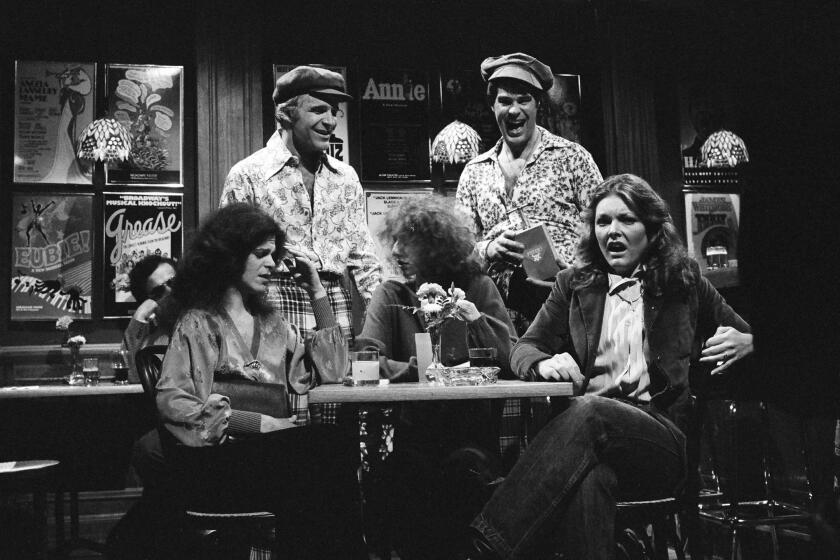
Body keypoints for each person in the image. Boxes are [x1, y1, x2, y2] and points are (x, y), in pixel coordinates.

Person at [465, 174, 754, 559]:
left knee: (591, 411)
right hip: (588, 443)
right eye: (603, 222)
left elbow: (755, 337)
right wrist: (544, 361)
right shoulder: (573, 284)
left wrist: (749, 341)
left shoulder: (684, 283)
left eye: (626, 220)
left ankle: (487, 546)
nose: (612, 231)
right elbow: (523, 349)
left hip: (661, 440)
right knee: (591, 480)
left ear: (651, 230)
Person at [154, 203, 366, 559]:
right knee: (323, 453)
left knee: (325, 465)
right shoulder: (199, 322)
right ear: (231, 256)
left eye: (274, 255)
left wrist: (316, 290)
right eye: (261, 254)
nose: (273, 264)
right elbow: (173, 402)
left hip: (273, 464)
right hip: (216, 466)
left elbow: (334, 369)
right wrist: (259, 423)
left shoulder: (273, 326)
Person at [221, 65, 381, 424]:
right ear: (285, 113)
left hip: (334, 305)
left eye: (335, 112)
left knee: (336, 416)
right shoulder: (248, 174)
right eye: (319, 109)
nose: (330, 120)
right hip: (272, 303)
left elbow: (364, 257)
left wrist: (378, 318)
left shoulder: (346, 177)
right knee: (281, 419)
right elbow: (226, 264)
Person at [360, 195, 517, 558]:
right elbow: (366, 361)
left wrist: (471, 318)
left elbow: (511, 357)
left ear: (436, 246)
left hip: (473, 438)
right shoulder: (391, 294)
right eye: (394, 241)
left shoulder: (477, 288)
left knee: (463, 471)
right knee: (404, 474)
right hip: (413, 439)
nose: (397, 252)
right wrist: (418, 372)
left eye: (409, 241)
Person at [455, 52, 603, 335]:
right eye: (505, 101)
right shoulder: (474, 171)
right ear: (492, 106)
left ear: (538, 106)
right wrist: (489, 248)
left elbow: (602, 229)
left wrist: (575, 270)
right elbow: (459, 252)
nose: (513, 110)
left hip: (562, 303)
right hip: (496, 311)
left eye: (523, 99)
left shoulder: (572, 157)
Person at [121, 254, 177, 382]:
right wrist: (139, 316)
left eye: (172, 282)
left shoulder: (207, 319)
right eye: (158, 292)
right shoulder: (154, 340)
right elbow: (133, 377)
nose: (169, 292)